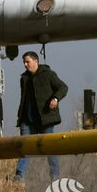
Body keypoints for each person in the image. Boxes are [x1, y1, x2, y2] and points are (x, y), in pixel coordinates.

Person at [13, 51, 67, 181]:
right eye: (24, 63)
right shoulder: (24, 78)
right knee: (24, 147)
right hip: (27, 119)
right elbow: (24, 98)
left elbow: (63, 87)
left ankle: (55, 175)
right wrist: (20, 115)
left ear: (36, 61)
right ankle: (19, 175)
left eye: (28, 62)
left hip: (45, 118)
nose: (25, 65)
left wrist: (55, 98)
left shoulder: (48, 74)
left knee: (49, 147)